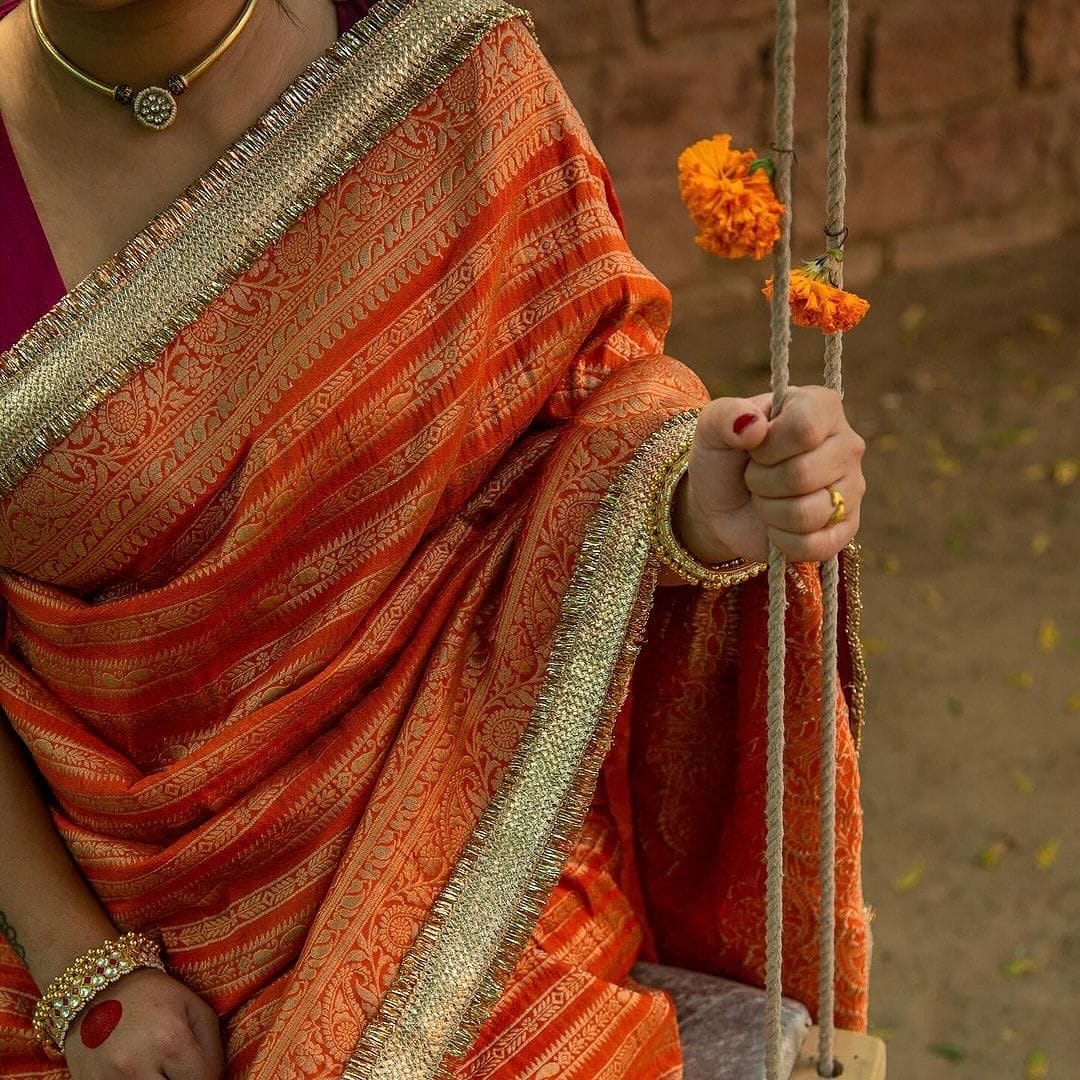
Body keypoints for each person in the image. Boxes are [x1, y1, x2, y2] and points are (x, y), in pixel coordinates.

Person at [0, 0, 870, 1076]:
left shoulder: (439, 58)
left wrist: (695, 499)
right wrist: (89, 977)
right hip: (101, 905)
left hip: (476, 819)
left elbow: (579, 408)